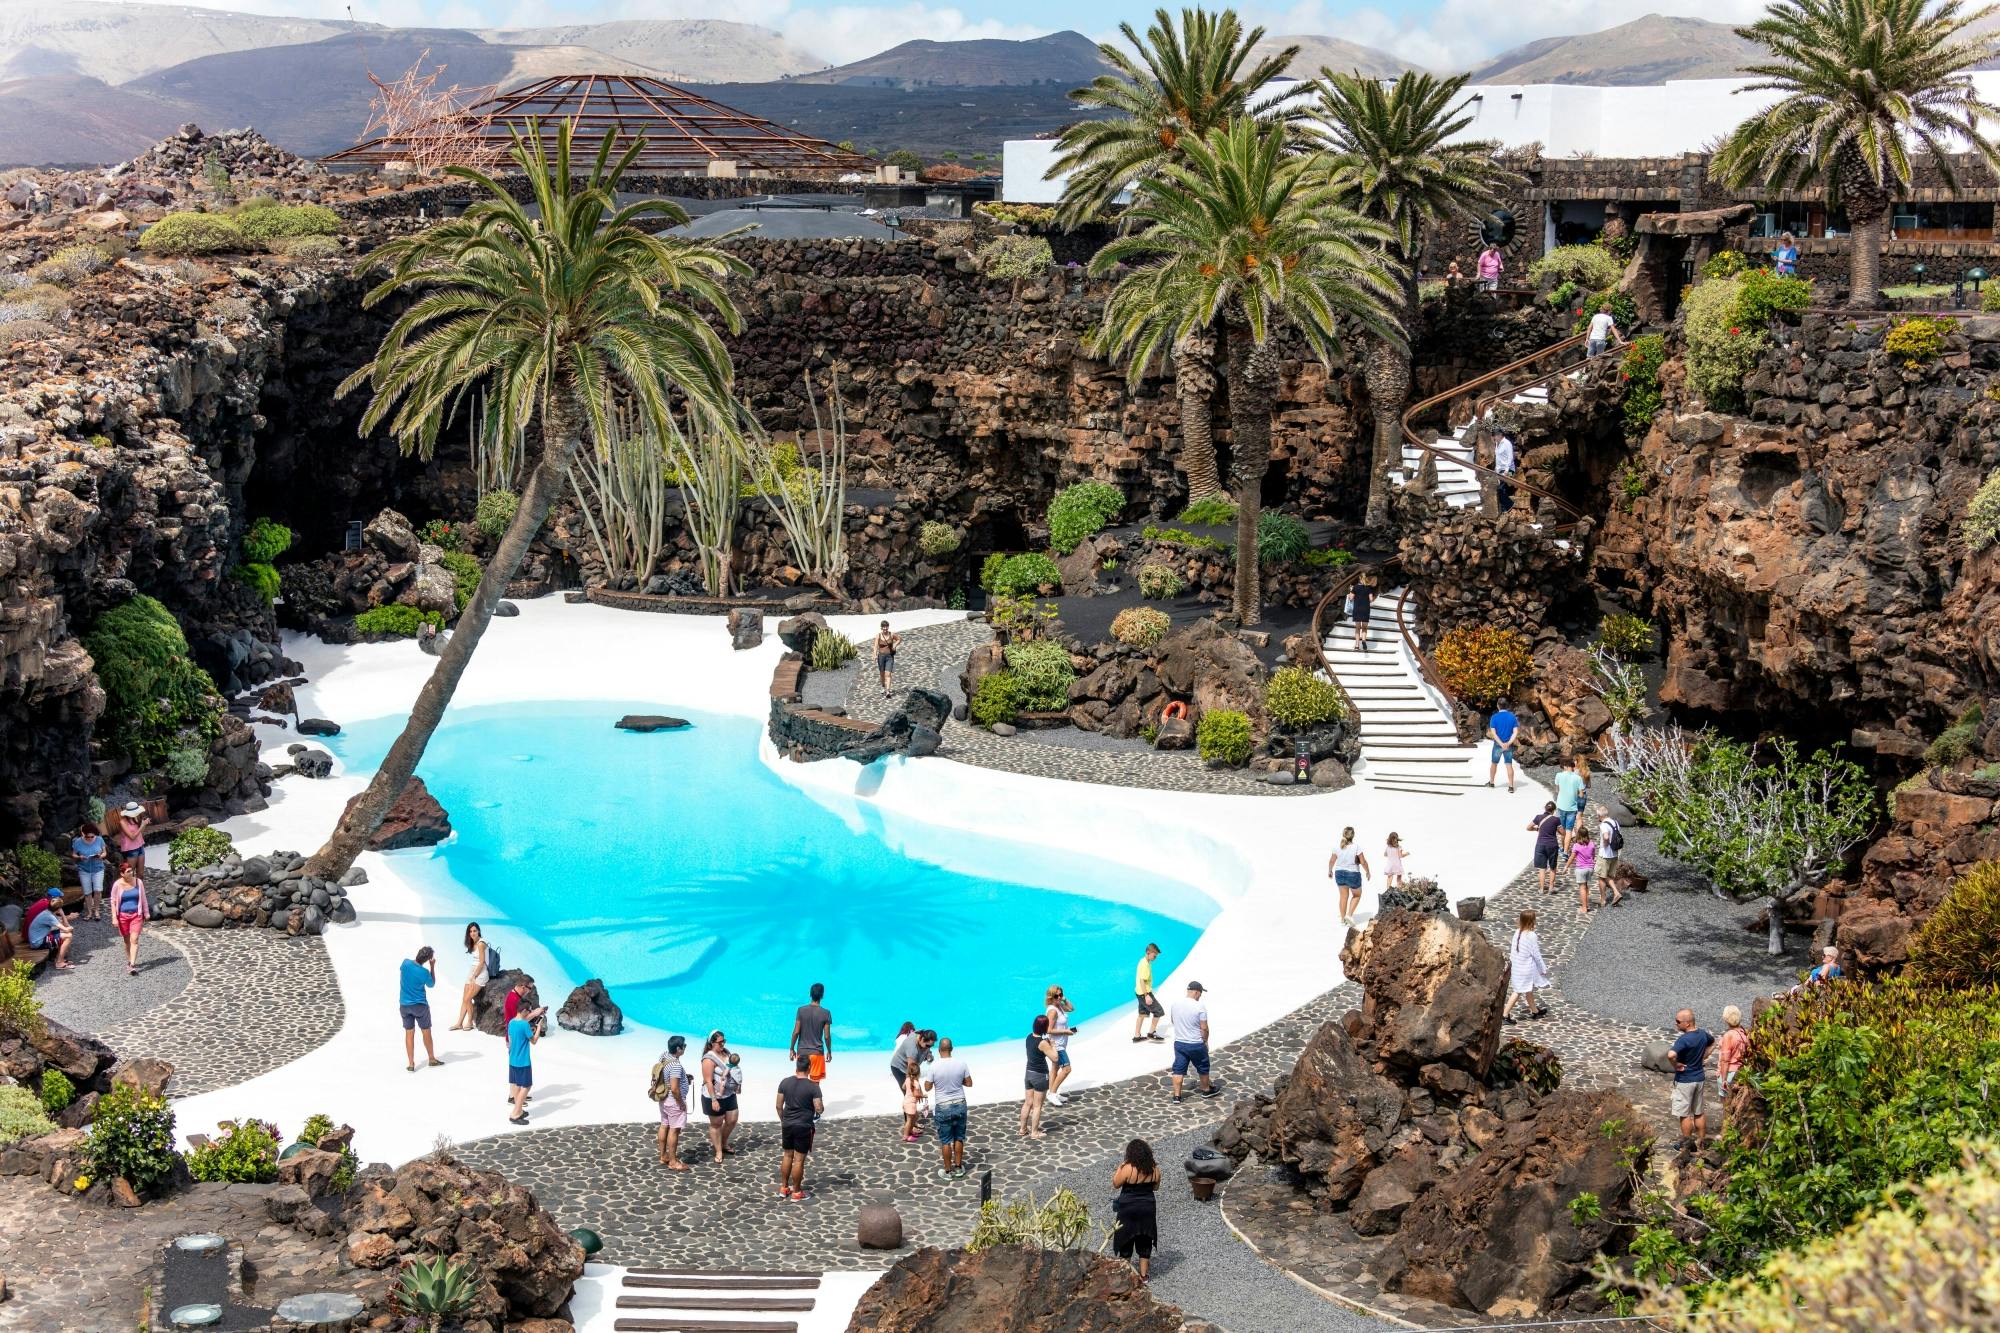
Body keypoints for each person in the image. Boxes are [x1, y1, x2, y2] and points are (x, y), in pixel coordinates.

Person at [1110, 1138, 1162, 1281]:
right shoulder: (1155, 1169)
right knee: (1145, 1240)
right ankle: (1144, 1276)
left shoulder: (1128, 1168)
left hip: (1128, 1208)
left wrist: (1120, 1167)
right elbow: (1155, 1188)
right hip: (1147, 1207)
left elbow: (1115, 1183)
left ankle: (1125, 1275)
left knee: (1126, 1239)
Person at [775, 1055, 823, 1202]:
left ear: (796, 1067)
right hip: (803, 1126)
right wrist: (820, 1110)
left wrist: (783, 1119)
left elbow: (778, 1105)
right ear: (809, 1068)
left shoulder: (785, 1082)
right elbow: (819, 1108)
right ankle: (796, 1192)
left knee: (787, 1155)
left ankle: (784, 1188)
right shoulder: (813, 1087)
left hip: (787, 1124)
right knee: (799, 1160)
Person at [926, 1037, 973, 1180]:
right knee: (959, 1137)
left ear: (939, 1050)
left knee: (945, 1140)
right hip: (959, 1103)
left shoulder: (934, 1066)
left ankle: (947, 1172)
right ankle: (958, 1168)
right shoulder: (961, 1064)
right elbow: (969, 1083)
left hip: (943, 1105)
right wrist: (958, 1081)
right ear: (951, 1049)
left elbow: (927, 1087)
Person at [1670, 1008, 1714, 1152]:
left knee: (1684, 1114)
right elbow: (1713, 1042)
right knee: (1698, 1112)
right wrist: (1704, 1056)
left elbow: (1671, 1054)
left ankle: (1686, 1146)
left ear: (1687, 1023)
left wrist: (1675, 1065)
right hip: (1699, 1078)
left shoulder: (1684, 1040)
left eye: (1678, 1022)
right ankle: (1701, 1142)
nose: (1676, 1024)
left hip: (1685, 1080)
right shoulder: (1702, 1034)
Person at [1168, 981, 1218, 1102]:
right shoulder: (1199, 1006)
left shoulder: (1175, 1004)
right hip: (1195, 1043)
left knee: (1178, 1068)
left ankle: (1177, 1096)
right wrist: (1205, 1040)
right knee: (1203, 1066)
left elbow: (1173, 1021)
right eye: (1200, 993)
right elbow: (1204, 1027)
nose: (1200, 996)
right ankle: (1206, 1090)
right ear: (1196, 992)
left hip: (1180, 1043)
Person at [700, 1029, 742, 1163]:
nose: (723, 1044)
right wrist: (714, 1100)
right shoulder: (708, 1058)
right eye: (720, 1042)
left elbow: (734, 1070)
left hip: (729, 1094)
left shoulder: (727, 1052)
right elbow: (708, 1081)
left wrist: (738, 1085)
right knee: (716, 1124)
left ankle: (723, 1142)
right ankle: (718, 1150)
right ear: (712, 1043)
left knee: (732, 1120)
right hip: (714, 1096)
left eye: (724, 1041)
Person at [399, 947, 443, 1072]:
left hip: (404, 1005)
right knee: (426, 1032)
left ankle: (411, 1064)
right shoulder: (424, 972)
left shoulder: (405, 963)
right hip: (420, 1006)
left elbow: (404, 972)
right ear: (428, 959)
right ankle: (432, 1059)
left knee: (409, 1033)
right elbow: (432, 984)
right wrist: (432, 967)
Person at [1504, 910, 1550, 1023]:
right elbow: (1536, 954)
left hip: (1517, 967)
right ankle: (1505, 1014)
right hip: (1525, 968)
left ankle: (1534, 1011)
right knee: (1518, 991)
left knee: (1528, 989)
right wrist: (1542, 968)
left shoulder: (1517, 932)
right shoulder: (1531, 936)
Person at [653, 1034, 691, 1171]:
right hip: (673, 1101)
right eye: (684, 1046)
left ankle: (663, 1155)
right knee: (674, 1130)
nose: (686, 1048)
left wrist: (684, 1078)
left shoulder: (664, 1056)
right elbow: (675, 1089)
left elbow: (667, 1077)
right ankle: (673, 1162)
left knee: (664, 1126)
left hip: (663, 1098)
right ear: (678, 1049)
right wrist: (681, 1102)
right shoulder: (675, 1065)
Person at [891, 1027, 936, 1140]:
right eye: (927, 1045)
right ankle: (910, 1127)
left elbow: (926, 1049)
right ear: (921, 1039)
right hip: (900, 1069)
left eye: (931, 1046)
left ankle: (911, 1124)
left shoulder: (922, 1035)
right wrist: (918, 1090)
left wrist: (928, 1054)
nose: (929, 1047)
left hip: (910, 1071)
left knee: (912, 1097)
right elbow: (911, 1072)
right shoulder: (912, 1049)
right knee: (909, 1097)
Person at [109, 860, 149, 975]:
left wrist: (146, 912)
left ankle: (132, 964)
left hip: (136, 915)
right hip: (122, 916)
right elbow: (113, 901)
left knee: (134, 939)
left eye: (131, 871)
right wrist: (114, 917)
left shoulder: (138, 882)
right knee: (127, 941)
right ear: (122, 874)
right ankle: (129, 960)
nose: (131, 873)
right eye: (128, 872)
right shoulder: (117, 884)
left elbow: (143, 898)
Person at [507, 999, 542, 1126]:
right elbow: (534, 1041)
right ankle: (515, 1113)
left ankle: (519, 1110)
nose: (530, 1013)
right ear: (524, 1011)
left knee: (516, 1085)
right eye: (529, 1011)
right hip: (523, 1061)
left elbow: (510, 1041)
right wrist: (538, 1027)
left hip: (512, 1059)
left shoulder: (511, 1022)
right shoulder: (524, 1025)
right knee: (526, 1086)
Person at [1021, 1014, 1055, 1140]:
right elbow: (1054, 1058)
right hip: (1040, 1075)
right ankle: (1034, 1132)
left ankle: (1023, 1129)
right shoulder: (1043, 1043)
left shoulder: (1029, 1037)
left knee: (1027, 1103)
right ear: (1044, 1027)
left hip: (1029, 1073)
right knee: (1037, 1106)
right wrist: (1053, 1045)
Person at [452, 922, 491, 1031]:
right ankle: (459, 1023)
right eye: (470, 931)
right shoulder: (473, 943)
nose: (472, 933)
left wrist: (474, 976)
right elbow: (476, 961)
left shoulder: (481, 943)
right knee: (464, 998)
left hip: (481, 972)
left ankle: (469, 1022)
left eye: (474, 930)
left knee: (467, 998)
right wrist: (472, 974)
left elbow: (482, 962)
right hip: (473, 970)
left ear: (478, 931)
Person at [790, 982, 832, 1081]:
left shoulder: (801, 1010)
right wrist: (829, 1051)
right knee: (815, 1086)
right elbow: (826, 1036)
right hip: (817, 1053)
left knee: (801, 1083)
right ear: (822, 996)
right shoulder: (826, 1013)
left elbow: (796, 1032)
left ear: (810, 994)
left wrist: (791, 1048)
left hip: (802, 1052)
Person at [1328, 826, 1369, 926]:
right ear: (1353, 835)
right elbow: (1363, 862)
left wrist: (1330, 871)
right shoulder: (1357, 847)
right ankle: (1349, 915)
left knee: (1343, 897)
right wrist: (1368, 871)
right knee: (1357, 895)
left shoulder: (1336, 847)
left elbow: (1332, 861)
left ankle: (1343, 919)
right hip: (1353, 873)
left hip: (1339, 873)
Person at [24, 888, 73, 970]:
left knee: (63, 933)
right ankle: (59, 963)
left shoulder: (47, 911)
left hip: (37, 937)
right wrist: (69, 925)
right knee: (68, 936)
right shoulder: (49, 916)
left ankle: (58, 958)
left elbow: (60, 925)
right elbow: (66, 929)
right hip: (37, 942)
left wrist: (65, 924)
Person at [1715, 1005, 1749, 1121]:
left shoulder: (1729, 1035)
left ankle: (1726, 1131)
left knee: (1727, 1106)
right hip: (1740, 1070)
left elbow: (1725, 1060)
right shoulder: (1744, 1033)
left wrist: (1723, 1079)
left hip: (1729, 1072)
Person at [1043, 985, 1076, 1106]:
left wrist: (1064, 999)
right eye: (1056, 996)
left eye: (1060, 994)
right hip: (1057, 1045)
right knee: (1067, 1069)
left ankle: (1052, 1093)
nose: (1059, 997)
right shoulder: (1052, 1011)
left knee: (1055, 1069)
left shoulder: (1059, 1006)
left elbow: (1072, 1009)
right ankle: (1052, 1093)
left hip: (1061, 1043)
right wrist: (1065, 1031)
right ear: (1051, 997)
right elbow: (1048, 1030)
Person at [71, 823, 107, 922]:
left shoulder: (99, 839)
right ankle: (89, 912)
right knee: (87, 892)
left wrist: (101, 856)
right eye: (88, 836)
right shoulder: (78, 842)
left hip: (98, 868)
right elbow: (73, 854)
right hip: (84, 869)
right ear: (84, 834)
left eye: (92, 836)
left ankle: (96, 910)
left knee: (98, 890)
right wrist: (79, 857)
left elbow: (104, 852)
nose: (90, 838)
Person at [1527, 802, 1563, 894]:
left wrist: (1537, 829)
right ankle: (1551, 888)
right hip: (1552, 845)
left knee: (1542, 868)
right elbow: (1563, 833)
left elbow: (1528, 827)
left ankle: (1542, 889)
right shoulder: (1556, 820)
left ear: (1545, 808)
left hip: (1540, 845)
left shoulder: (1538, 817)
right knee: (1552, 867)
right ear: (1554, 810)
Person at [1133, 943, 1165, 1043]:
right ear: (1148, 953)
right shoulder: (1145, 965)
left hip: (1139, 993)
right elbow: (1142, 980)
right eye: (1154, 955)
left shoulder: (1142, 961)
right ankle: (1152, 1033)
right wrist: (1147, 996)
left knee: (1142, 1014)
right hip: (1144, 993)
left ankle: (1137, 1036)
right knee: (1159, 1011)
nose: (1155, 958)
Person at [1594, 806, 1625, 907]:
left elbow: (1606, 836)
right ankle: (1616, 893)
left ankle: (1604, 899)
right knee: (1609, 876)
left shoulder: (1603, 825)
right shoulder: (1615, 822)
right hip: (1615, 853)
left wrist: (1605, 844)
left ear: (1599, 815)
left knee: (1601, 877)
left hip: (1605, 854)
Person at [1485, 700, 1519, 791]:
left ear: (1498, 705)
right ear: (1507, 705)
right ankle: (1511, 786)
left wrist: (1501, 744)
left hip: (1497, 745)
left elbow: (1494, 734)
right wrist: (1508, 743)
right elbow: (1515, 732)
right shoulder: (1512, 717)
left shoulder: (1494, 717)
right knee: (1509, 764)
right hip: (1508, 745)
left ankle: (1491, 782)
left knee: (1494, 763)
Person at [1554, 755, 1587, 844]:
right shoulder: (1582, 774)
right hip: (1572, 807)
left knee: (1562, 828)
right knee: (1570, 829)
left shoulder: (1559, 775)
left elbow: (1557, 790)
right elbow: (1581, 794)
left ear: (1566, 766)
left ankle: (1562, 847)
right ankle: (1566, 851)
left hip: (1562, 805)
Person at [112, 801, 149, 869]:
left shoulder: (135, 818)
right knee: (130, 873)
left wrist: (144, 825)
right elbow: (132, 837)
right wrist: (142, 826)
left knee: (140, 874)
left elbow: (140, 833)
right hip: (131, 849)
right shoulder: (122, 822)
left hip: (140, 846)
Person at [1571, 833, 1597, 918]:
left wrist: (1566, 866)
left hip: (1581, 869)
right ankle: (1586, 904)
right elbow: (1593, 855)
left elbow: (1572, 857)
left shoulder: (1576, 845)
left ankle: (1584, 908)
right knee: (1586, 886)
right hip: (1590, 868)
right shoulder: (1592, 843)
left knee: (1582, 888)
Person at [874, 620, 902, 697]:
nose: (885, 629)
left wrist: (895, 645)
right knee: (882, 674)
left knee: (888, 674)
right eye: (883, 627)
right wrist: (874, 655)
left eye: (886, 627)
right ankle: (883, 686)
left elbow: (899, 639)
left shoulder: (892, 634)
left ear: (888, 627)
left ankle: (888, 691)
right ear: (881, 628)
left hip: (890, 657)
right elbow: (876, 646)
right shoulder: (878, 636)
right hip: (881, 657)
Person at [1492, 430, 1517, 514]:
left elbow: (1510, 458)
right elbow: (1498, 459)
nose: (1494, 437)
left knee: (1500, 488)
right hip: (1499, 470)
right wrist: (1496, 470)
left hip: (1510, 470)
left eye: (1495, 435)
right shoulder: (1497, 444)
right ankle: (1503, 509)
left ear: (1500, 435)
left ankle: (1509, 505)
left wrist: (1506, 471)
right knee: (1499, 488)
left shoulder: (1507, 443)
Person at [1349, 574, 1374, 653]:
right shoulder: (1369, 587)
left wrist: (1351, 590)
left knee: (1357, 628)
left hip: (1357, 609)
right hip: (1366, 609)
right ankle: (1363, 640)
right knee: (1364, 628)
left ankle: (1357, 645)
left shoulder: (1355, 587)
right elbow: (1371, 599)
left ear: (1359, 579)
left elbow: (1351, 598)